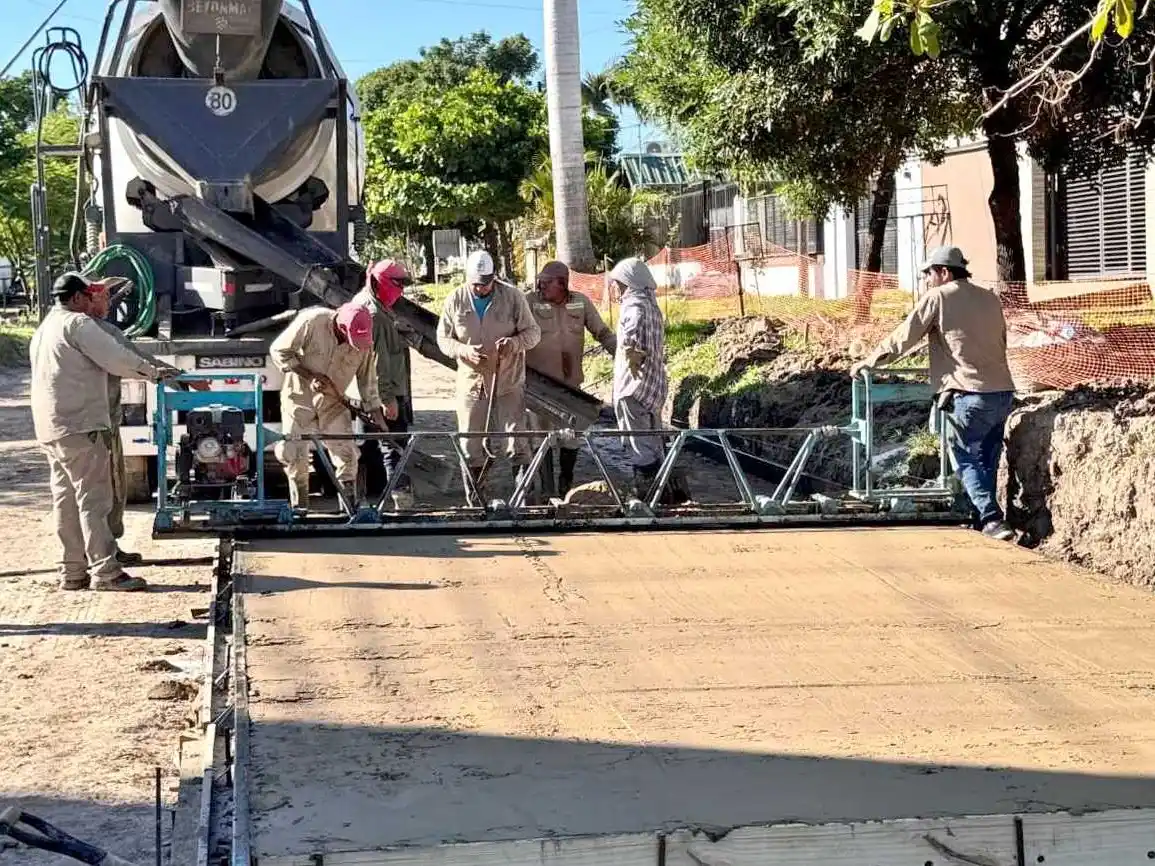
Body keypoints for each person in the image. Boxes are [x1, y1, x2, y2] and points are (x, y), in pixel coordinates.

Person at [850, 245, 1017, 541]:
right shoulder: (990, 297)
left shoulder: (938, 297)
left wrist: (869, 362)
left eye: (928, 273)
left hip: (968, 393)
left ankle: (991, 519)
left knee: (965, 456)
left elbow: (904, 336)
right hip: (1002, 392)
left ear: (944, 272)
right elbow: (1001, 340)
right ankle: (981, 518)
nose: (926, 279)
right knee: (987, 459)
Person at [30, 271, 180, 592]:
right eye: (87, 296)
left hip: (52, 428)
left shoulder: (45, 328)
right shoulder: (78, 324)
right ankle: (106, 572)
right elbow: (116, 358)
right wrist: (155, 373)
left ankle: (72, 571)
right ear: (75, 298)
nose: (92, 301)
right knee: (94, 500)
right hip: (82, 426)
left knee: (66, 500)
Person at [436, 250, 541, 500]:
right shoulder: (455, 300)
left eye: (486, 284)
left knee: (517, 443)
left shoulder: (513, 297)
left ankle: (523, 501)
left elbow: (533, 333)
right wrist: (462, 351)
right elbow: (443, 338)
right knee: (471, 445)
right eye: (476, 285)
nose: (482, 289)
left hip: (508, 382)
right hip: (473, 384)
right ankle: (477, 500)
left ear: (494, 279)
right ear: (467, 278)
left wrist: (514, 344)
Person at [270, 302, 387, 512]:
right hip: (300, 400)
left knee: (347, 454)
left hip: (333, 403)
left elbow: (367, 382)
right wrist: (308, 374)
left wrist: (376, 413)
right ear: (341, 327)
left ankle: (349, 509)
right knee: (294, 453)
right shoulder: (313, 321)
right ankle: (300, 508)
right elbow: (279, 350)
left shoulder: (364, 342)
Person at [524, 260, 616, 498]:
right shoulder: (528, 303)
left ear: (562, 284)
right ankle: (545, 493)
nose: (540, 287)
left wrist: (622, 354)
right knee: (541, 440)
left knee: (571, 439)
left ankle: (566, 485)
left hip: (571, 387)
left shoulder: (580, 302)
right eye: (539, 282)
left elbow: (602, 332)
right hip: (538, 389)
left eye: (546, 283)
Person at [609, 257, 688, 503]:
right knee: (654, 444)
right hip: (652, 387)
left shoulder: (634, 308)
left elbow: (634, 342)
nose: (615, 288)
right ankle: (664, 496)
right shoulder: (652, 306)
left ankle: (650, 499)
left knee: (639, 447)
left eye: (617, 284)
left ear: (627, 283)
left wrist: (632, 352)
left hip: (633, 389)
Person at [354, 259, 415, 508]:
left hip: (367, 392)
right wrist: (387, 399)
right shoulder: (375, 314)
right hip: (382, 391)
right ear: (381, 283)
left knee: (367, 446)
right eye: (397, 284)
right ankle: (401, 499)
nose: (400, 290)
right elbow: (378, 363)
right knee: (392, 445)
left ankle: (363, 499)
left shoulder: (373, 305)